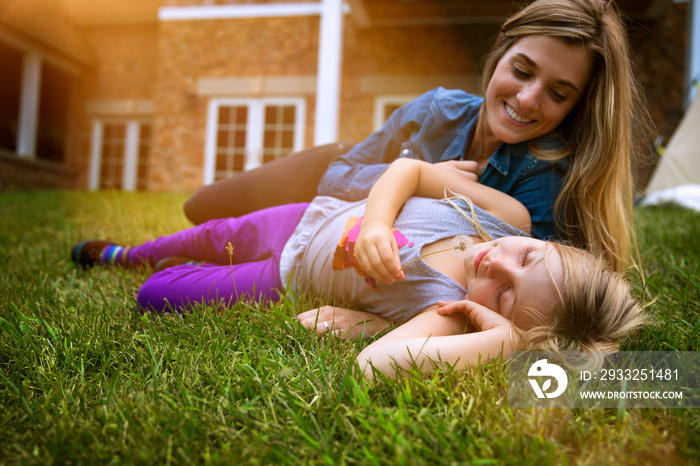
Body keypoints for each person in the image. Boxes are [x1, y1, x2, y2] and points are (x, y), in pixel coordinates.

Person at [182, 0, 653, 274]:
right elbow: (337, 174)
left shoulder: (544, 180)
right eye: (522, 70)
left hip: (338, 219)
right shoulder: (437, 108)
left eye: (557, 92)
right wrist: (415, 177)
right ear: (500, 50)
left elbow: (525, 289)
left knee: (231, 245)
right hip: (336, 172)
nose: (528, 99)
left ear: (576, 107)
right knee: (200, 207)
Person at [71, 158, 645, 376]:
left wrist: (506, 344)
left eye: (503, 297)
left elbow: (377, 366)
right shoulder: (510, 217)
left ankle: (156, 265)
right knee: (208, 235)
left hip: (289, 278)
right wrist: (374, 223)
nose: (496, 264)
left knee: (157, 293)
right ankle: (124, 253)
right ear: (550, 243)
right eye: (526, 257)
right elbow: (408, 171)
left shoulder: (450, 317)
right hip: (309, 219)